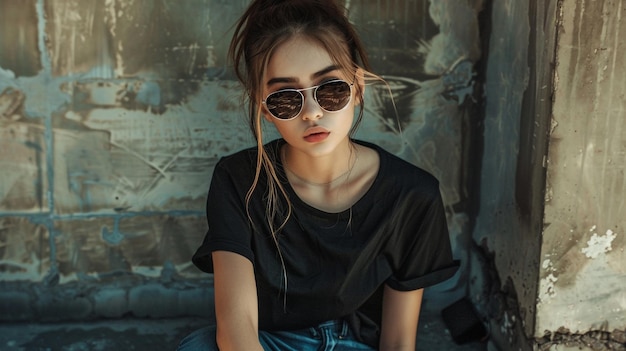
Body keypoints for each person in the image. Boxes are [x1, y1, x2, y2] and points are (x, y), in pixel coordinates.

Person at [177, 0, 459, 350]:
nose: (311, 112)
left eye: (330, 89)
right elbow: (237, 328)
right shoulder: (239, 180)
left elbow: (399, 341)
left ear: (357, 88)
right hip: (270, 342)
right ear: (263, 108)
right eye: (285, 98)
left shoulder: (412, 194)